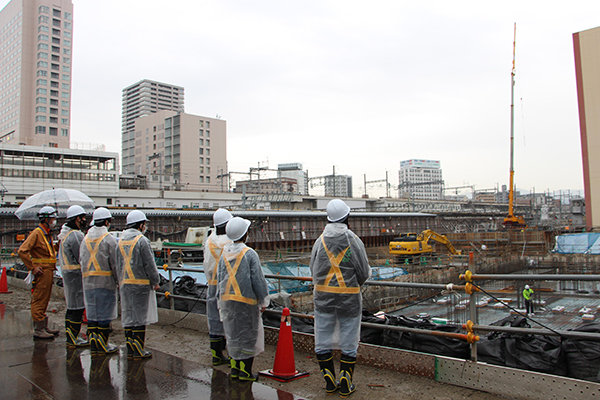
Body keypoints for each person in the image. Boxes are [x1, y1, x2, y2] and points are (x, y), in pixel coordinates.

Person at [310, 199, 371, 397]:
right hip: (349, 299)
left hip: (323, 298)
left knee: (322, 339)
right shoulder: (353, 240)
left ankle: (329, 381)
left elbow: (313, 269)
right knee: (349, 339)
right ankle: (346, 380)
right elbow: (362, 271)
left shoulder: (320, 241)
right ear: (347, 217)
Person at [217, 217, 269, 381]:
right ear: (245, 234)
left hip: (227, 301)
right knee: (248, 337)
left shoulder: (224, 252)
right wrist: (263, 300)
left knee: (232, 335)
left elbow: (220, 277)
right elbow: (258, 279)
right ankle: (245, 372)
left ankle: (234, 369)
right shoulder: (249, 253)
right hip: (246, 302)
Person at [116, 210, 160, 359]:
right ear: (140, 225)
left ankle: (130, 348)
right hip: (140, 285)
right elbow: (150, 264)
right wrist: (155, 281)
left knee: (128, 317)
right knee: (140, 319)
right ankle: (138, 349)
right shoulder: (142, 241)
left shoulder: (120, 240)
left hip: (124, 284)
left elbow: (117, 264)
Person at [80, 207, 119, 354]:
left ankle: (94, 343)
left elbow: (81, 260)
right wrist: (118, 280)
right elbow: (115, 264)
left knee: (92, 314)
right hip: (105, 283)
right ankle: (103, 344)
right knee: (104, 315)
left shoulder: (85, 239)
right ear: (107, 222)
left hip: (88, 283)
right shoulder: (109, 240)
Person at [18, 206, 60, 340]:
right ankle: (39, 329)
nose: (54, 221)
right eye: (52, 218)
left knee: (45, 298)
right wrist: (32, 267)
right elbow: (22, 251)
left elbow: (48, 251)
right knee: (39, 299)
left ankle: (43, 325)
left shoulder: (46, 233)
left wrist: (58, 244)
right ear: (46, 219)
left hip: (48, 270)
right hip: (42, 271)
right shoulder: (37, 233)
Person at [204, 208, 233, 366]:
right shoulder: (231, 242)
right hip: (228, 286)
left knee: (214, 320)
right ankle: (233, 356)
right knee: (230, 321)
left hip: (212, 284)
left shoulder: (209, 240)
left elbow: (205, 263)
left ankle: (216, 355)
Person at [58, 205, 89, 347]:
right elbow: (81, 256)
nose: (84, 220)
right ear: (77, 219)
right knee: (77, 308)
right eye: (82, 218)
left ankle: (70, 336)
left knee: (71, 307)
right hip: (76, 276)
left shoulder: (65, 234)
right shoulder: (75, 235)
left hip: (68, 275)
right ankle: (73, 337)